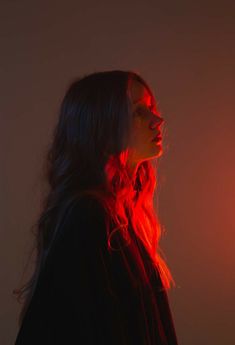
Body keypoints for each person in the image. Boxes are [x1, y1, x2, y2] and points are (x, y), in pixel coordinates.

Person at [13, 70, 179, 344]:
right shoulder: (88, 216)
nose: (157, 120)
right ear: (101, 125)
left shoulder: (121, 215)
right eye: (139, 112)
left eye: (151, 109)